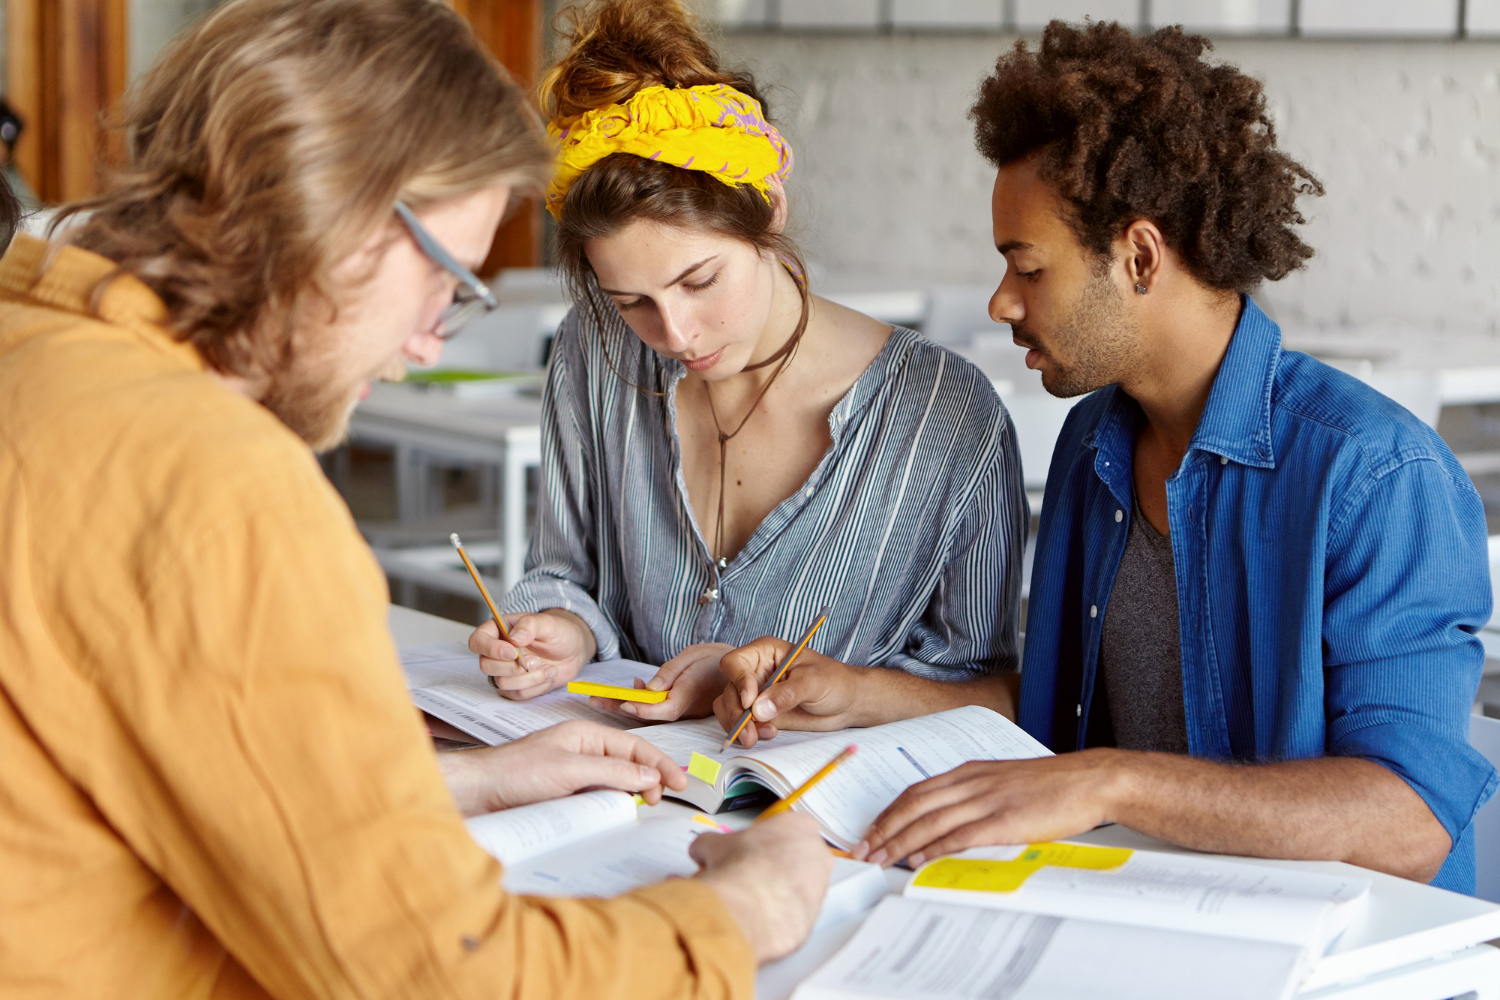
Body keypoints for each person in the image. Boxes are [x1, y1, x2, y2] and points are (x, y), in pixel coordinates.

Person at [0, 2, 832, 997]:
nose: (431, 343)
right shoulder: (219, 485)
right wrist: (744, 914)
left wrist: (459, 780)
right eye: (449, 284)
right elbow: (442, 976)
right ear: (346, 211)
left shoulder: (30, 338)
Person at [855, 20, 1495, 893]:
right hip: (1143, 908)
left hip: (1328, 952)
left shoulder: (1376, 475)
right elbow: (1056, 723)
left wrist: (1114, 779)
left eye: (1028, 269)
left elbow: (1409, 819)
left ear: (1141, 255)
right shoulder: (1096, 440)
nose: (1002, 303)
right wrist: (857, 693)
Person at [469, 0, 1029, 744]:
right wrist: (562, 630)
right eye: (633, 300)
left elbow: (992, 694)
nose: (676, 334)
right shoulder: (595, 346)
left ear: (768, 209)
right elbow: (562, 571)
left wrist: (818, 688)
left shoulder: (946, 415)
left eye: (701, 281)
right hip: (620, 793)